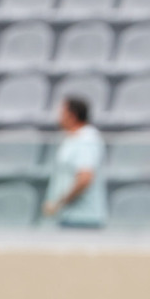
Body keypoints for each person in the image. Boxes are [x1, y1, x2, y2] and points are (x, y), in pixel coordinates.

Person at [42, 97, 108, 228]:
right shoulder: (73, 139)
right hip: (71, 216)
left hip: (83, 218)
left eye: (62, 113)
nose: (58, 118)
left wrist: (59, 203)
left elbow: (85, 177)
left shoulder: (86, 140)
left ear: (72, 115)